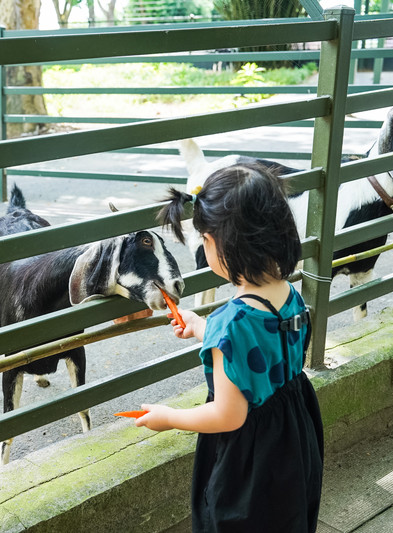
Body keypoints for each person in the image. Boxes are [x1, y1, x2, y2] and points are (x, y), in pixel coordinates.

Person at [135, 163, 324, 532]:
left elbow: (228, 415)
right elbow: (266, 346)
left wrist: (168, 417)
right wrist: (204, 328)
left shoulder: (231, 322)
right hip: (293, 435)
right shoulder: (290, 296)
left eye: (205, 239)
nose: (202, 248)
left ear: (228, 242)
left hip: (250, 457)